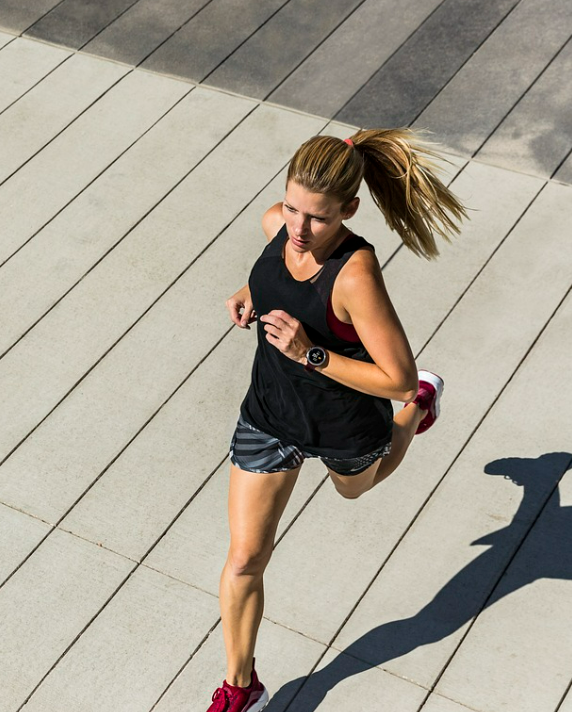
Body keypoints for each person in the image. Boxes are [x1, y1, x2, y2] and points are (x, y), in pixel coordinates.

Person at [207, 129, 468, 712]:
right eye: (294, 208)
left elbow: (395, 374)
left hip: (344, 420)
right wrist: (247, 289)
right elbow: (277, 266)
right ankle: (241, 688)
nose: (299, 230)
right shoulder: (280, 224)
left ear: (349, 211)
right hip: (271, 413)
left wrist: (311, 354)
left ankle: (418, 412)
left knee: (357, 488)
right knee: (245, 557)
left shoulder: (355, 274)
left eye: (318, 219)